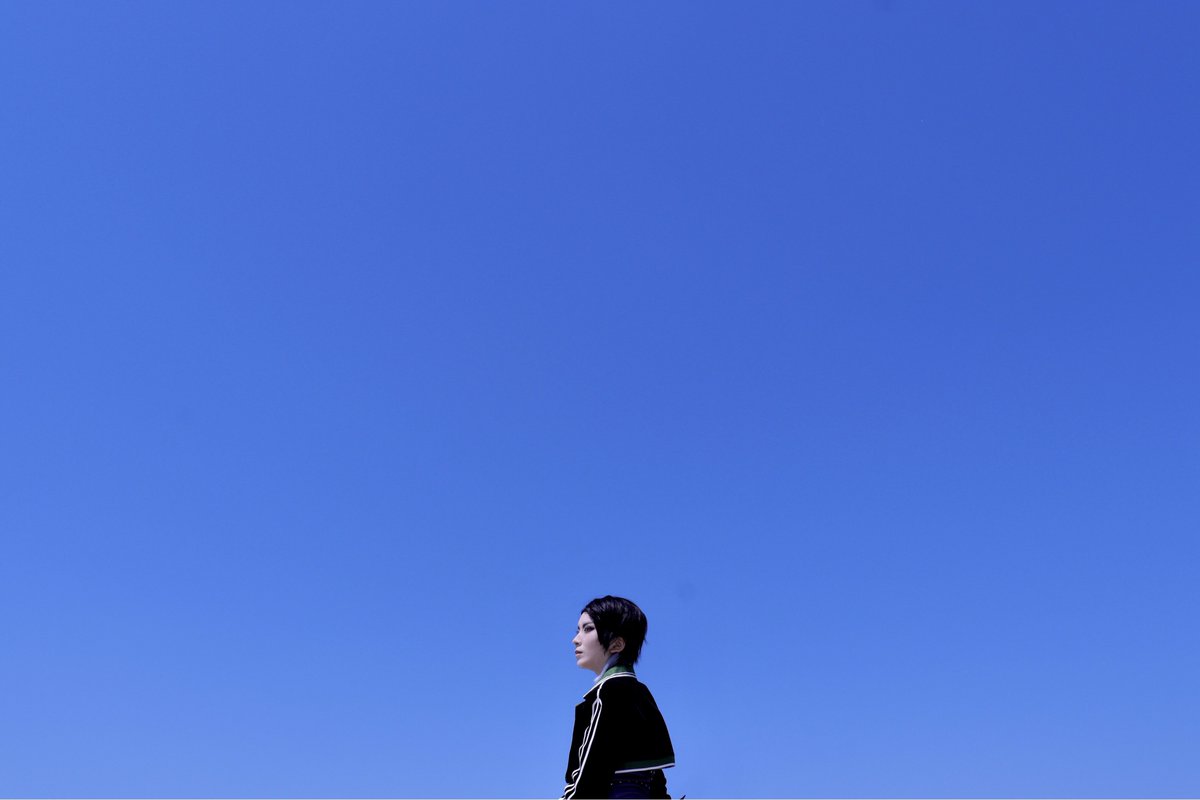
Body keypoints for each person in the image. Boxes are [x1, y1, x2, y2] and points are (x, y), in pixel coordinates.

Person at [563, 596, 675, 800]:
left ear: (617, 644)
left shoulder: (608, 693)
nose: (576, 639)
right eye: (577, 630)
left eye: (588, 629)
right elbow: (656, 778)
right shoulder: (641, 694)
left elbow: (590, 777)